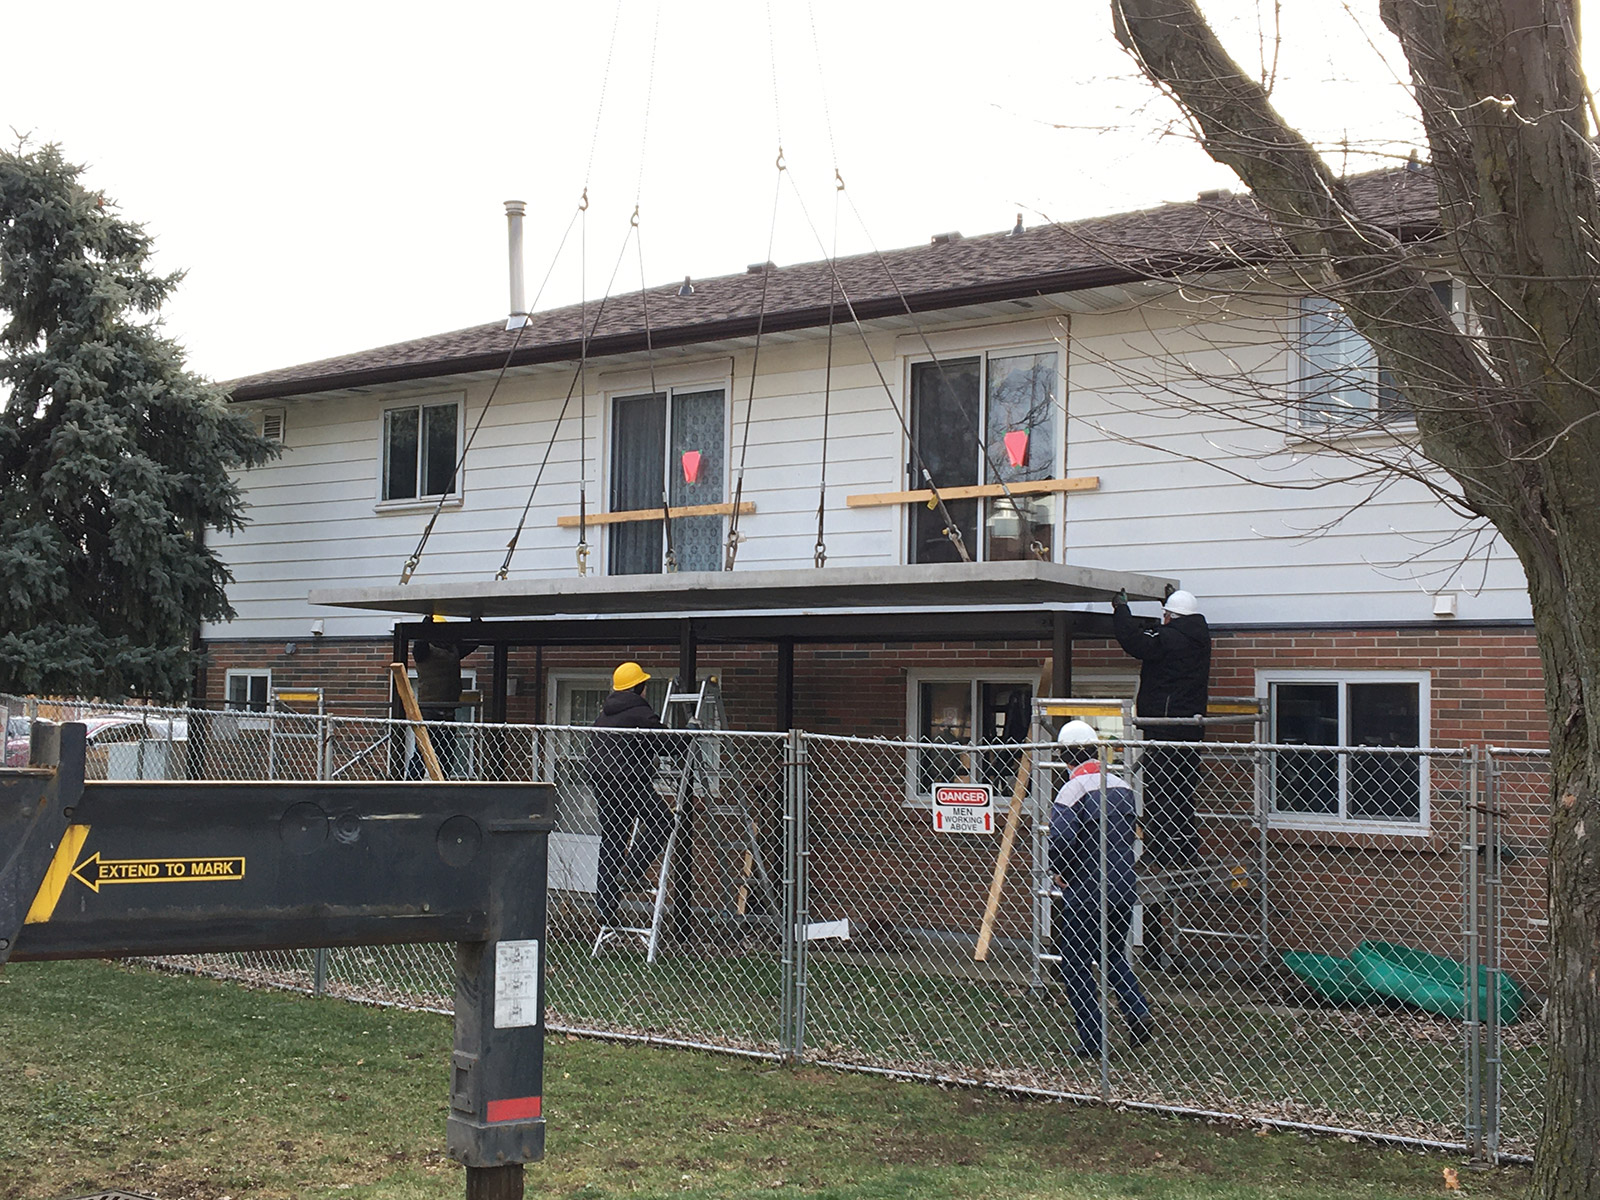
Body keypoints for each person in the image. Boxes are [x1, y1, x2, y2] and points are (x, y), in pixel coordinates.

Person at [1049, 720, 1152, 1058]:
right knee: (1110, 954)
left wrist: (1061, 871)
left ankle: (1092, 1040)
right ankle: (1137, 1012)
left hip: (1086, 889)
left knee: (1075, 962)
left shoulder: (1072, 790)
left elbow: (1062, 838)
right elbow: (1133, 831)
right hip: (1122, 887)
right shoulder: (1122, 785)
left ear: (1065, 755)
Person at [1111, 588, 1211, 871]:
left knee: (1160, 791)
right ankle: (1186, 851)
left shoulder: (1169, 638)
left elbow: (1135, 641)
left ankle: (1161, 854)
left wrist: (1121, 611)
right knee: (1181, 791)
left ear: (1172, 617)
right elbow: (1159, 636)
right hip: (1189, 727)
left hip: (1164, 726)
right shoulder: (1199, 638)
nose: (1163, 619)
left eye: (1166, 614)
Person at [588, 662, 674, 927]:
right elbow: (669, 745)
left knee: (613, 837)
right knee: (663, 821)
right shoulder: (638, 712)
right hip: (629, 781)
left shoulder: (605, 714)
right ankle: (632, 870)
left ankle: (606, 907)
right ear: (639, 687)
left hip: (601, 780)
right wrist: (691, 732)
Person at [406, 637, 478, 778]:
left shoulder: (452, 649)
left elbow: (473, 643)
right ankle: (411, 783)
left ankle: (442, 782)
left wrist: (475, 621)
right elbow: (421, 640)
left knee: (446, 754)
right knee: (423, 752)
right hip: (430, 712)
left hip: (448, 712)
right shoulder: (424, 651)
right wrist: (428, 621)